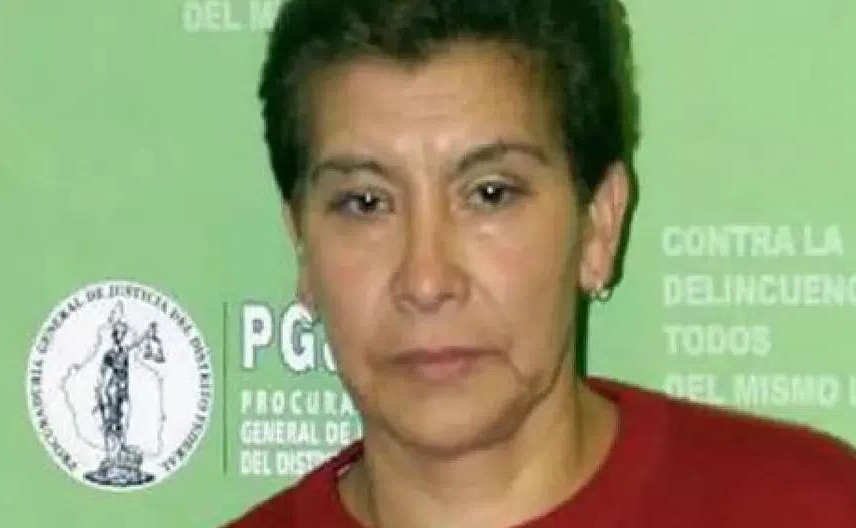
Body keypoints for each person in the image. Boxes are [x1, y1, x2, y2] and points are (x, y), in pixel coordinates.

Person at [226, 0, 856, 526]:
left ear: (598, 227)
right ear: (302, 244)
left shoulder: (808, 509)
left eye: (490, 194)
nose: (426, 281)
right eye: (365, 203)